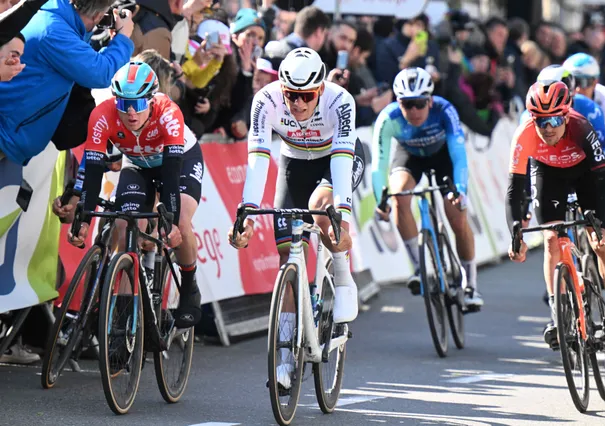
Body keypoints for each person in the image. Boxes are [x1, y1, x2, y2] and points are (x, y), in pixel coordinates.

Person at [228, 47, 364, 389]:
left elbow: (342, 163)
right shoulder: (265, 100)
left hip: (336, 159)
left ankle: (345, 281)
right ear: (281, 88)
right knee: (288, 255)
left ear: (319, 89)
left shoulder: (340, 101)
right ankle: (286, 359)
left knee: (323, 210)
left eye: (306, 96)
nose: (298, 104)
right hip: (293, 164)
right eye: (291, 95)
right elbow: (259, 160)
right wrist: (245, 213)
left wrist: (342, 220)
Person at [67, 61, 204, 329]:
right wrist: (83, 218)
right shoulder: (102, 115)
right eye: (124, 104)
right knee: (125, 225)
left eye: (139, 104)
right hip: (138, 163)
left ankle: (189, 287)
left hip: (178, 161)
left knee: (182, 225)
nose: (131, 112)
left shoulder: (168, 113)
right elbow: (94, 171)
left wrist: (171, 220)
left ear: (152, 100)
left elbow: (171, 176)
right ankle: (124, 315)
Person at [507, 80, 605, 352]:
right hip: (548, 175)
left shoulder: (581, 127)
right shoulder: (524, 134)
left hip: (586, 174)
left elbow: (604, 180)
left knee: (601, 242)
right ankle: (558, 317)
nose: (547, 127)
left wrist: (604, 225)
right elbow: (515, 188)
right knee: (552, 239)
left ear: (565, 115)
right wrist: (515, 233)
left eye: (553, 119)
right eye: (540, 120)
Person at [371, 67, 481, 310]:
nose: (414, 110)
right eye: (407, 104)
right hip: (410, 156)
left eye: (420, 103)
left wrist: (460, 189)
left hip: (443, 157)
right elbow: (379, 165)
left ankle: (470, 282)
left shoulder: (444, 110)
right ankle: (420, 267)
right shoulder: (388, 118)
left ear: (430, 100)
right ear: (397, 101)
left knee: (457, 217)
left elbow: (459, 155)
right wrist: (382, 199)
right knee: (399, 196)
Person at [0, 0, 135, 165]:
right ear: (97, 15)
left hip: (10, 135)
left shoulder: (57, 16)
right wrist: (123, 39)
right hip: (6, 136)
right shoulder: (55, 32)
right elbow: (101, 73)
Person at [563, 53, 605, 184]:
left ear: (595, 82)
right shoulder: (561, 98)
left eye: (583, 82)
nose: (577, 89)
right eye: (573, 82)